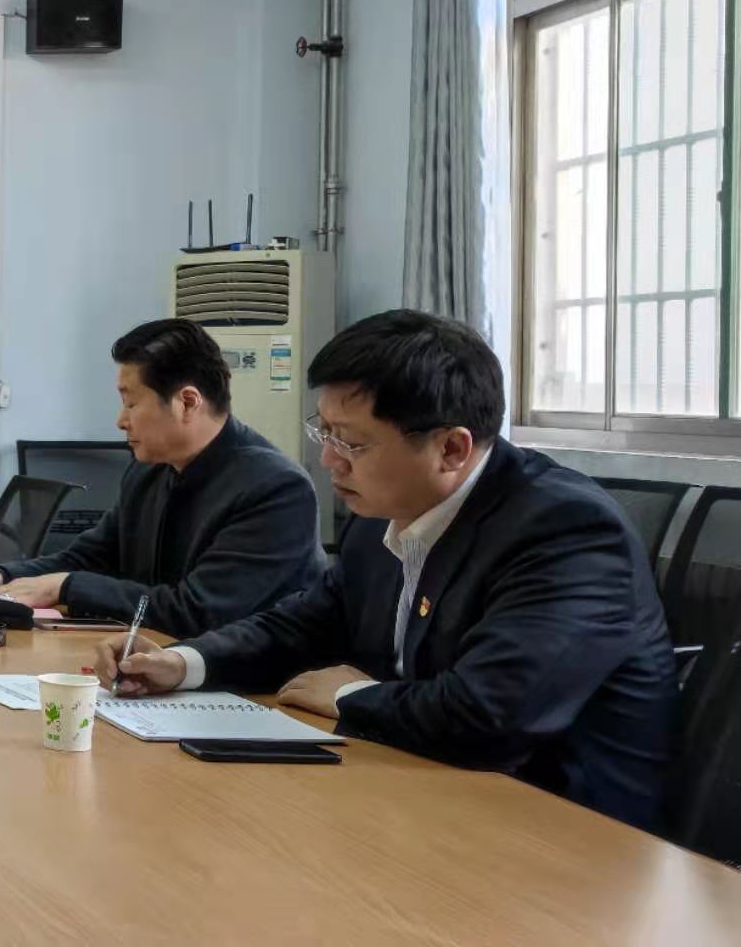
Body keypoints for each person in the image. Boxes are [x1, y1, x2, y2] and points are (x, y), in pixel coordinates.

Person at [98, 310, 677, 828]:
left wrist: (352, 695)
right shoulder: (383, 514)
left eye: (351, 442)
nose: (328, 460)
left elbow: (489, 715)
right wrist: (184, 662)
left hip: (556, 833)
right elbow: (305, 624)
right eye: (325, 432)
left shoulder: (565, 531)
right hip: (415, 790)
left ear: (452, 449)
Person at [0, 319, 324, 637]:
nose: (121, 421)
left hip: (248, 681)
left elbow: (198, 612)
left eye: (131, 404)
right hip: (155, 660)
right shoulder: (149, 469)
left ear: (187, 402)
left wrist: (66, 587)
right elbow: (92, 556)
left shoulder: (276, 489)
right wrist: (0, 575)